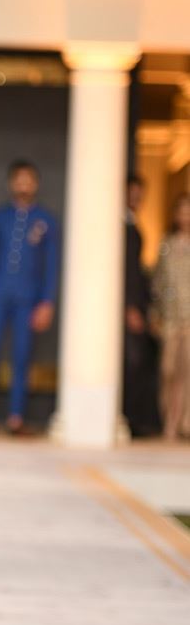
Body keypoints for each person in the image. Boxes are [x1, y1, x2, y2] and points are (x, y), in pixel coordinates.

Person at [0, 160, 59, 436]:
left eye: (28, 179)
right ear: (11, 183)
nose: (24, 185)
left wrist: (47, 302)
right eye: (19, 179)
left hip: (28, 298)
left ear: (36, 183)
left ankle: (16, 418)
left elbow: (51, 265)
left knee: (22, 355)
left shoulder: (46, 220)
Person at [123, 174, 160, 438]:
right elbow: (123, 272)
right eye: (132, 194)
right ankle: (129, 420)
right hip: (128, 308)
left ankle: (135, 419)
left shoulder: (133, 226)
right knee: (132, 362)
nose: (136, 199)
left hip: (138, 305)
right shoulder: (119, 229)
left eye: (139, 195)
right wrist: (129, 307)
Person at [151, 192, 190, 441]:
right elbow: (158, 282)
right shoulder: (166, 245)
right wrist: (155, 313)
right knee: (168, 370)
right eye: (182, 211)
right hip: (170, 318)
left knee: (188, 371)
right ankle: (169, 418)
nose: (185, 216)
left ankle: (184, 423)